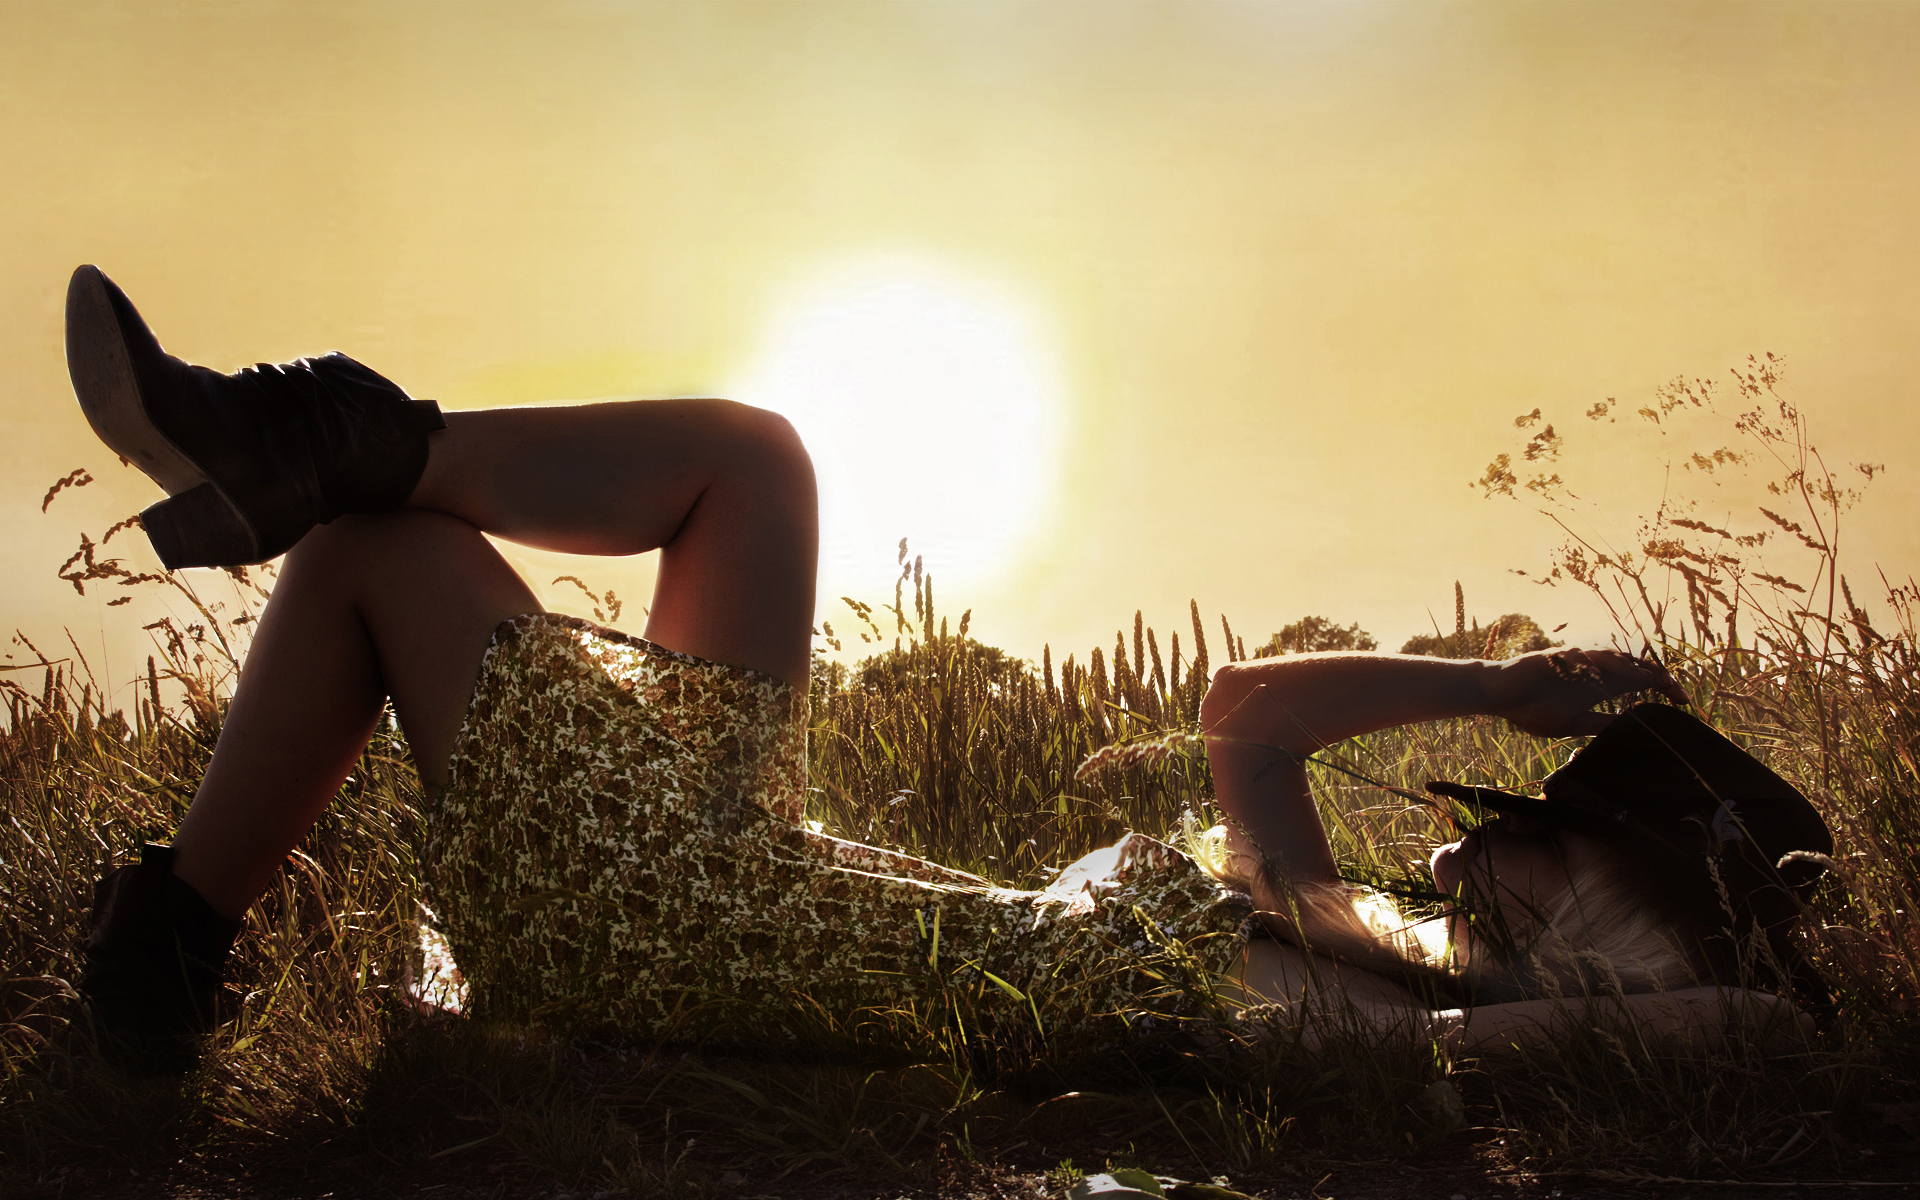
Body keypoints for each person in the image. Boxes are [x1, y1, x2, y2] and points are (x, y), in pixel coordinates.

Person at [63, 266, 1830, 1076]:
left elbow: (1761, 1025)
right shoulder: (1371, 938)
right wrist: (1502, 691)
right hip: (759, 891)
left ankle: (176, 921)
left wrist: (1711, 964)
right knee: (755, 457)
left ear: (1644, 908)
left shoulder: (1446, 1021)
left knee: (389, 557)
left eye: (1527, 839)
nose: (1462, 848)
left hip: (705, 925)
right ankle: (311, 457)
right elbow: (1249, 710)